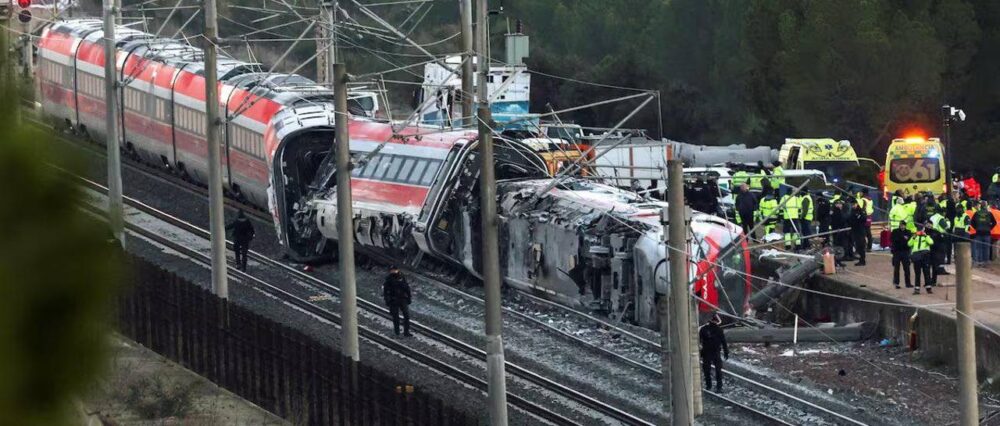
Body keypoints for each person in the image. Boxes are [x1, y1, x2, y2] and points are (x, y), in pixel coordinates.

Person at [698, 313, 729, 392]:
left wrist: (699, 352)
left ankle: (710, 386)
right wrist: (726, 352)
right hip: (713, 352)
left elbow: (699, 341)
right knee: (717, 370)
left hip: (708, 352)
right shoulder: (718, 330)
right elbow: (723, 342)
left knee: (707, 370)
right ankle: (718, 387)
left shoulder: (704, 329)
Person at [383, 266, 413, 336]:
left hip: (402, 299)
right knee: (396, 317)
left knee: (406, 316)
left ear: (397, 270)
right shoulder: (389, 279)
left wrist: (409, 297)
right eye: (392, 270)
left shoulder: (402, 277)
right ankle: (397, 332)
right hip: (393, 300)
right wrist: (387, 301)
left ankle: (406, 332)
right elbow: (385, 291)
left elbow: (407, 288)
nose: (393, 271)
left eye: (394, 270)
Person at [909, 225, 934, 295]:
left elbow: (931, 242)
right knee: (917, 273)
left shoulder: (926, 236)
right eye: (919, 230)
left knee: (926, 272)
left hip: (925, 255)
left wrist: (925, 236)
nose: (920, 231)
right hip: (917, 256)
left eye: (921, 230)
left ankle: (928, 288)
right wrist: (914, 237)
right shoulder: (914, 236)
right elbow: (909, 244)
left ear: (923, 230)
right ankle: (917, 289)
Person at [971, 200, 997, 266]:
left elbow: (972, 222)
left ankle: (979, 261)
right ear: (986, 206)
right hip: (987, 233)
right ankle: (986, 262)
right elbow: (994, 222)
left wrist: (976, 228)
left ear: (980, 206)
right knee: (986, 248)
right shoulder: (989, 214)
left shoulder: (976, 213)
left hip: (978, 233)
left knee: (979, 248)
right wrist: (990, 228)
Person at [928, 209, 951, 279]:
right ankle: (940, 269)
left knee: (935, 255)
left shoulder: (932, 217)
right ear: (942, 212)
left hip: (932, 236)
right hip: (940, 237)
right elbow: (946, 227)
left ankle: (935, 268)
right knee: (942, 254)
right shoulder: (940, 218)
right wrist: (948, 221)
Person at [890, 221, 911, 289]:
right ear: (899, 225)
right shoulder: (895, 231)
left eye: (903, 225)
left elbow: (909, 241)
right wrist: (903, 238)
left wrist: (901, 238)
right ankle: (896, 283)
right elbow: (893, 239)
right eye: (901, 225)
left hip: (905, 252)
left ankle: (908, 283)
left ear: (905, 225)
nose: (902, 226)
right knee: (896, 268)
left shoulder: (908, 232)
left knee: (907, 268)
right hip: (897, 252)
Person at [830, 199, 850, 266]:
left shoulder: (841, 211)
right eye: (838, 204)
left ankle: (839, 260)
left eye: (841, 204)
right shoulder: (836, 211)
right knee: (838, 245)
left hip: (841, 230)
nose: (840, 205)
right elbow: (839, 220)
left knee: (841, 245)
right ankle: (838, 260)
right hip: (838, 230)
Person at [850, 200, 868, 266]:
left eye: (854, 204)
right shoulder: (853, 211)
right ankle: (861, 259)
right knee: (858, 246)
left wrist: (858, 217)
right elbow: (852, 220)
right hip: (855, 230)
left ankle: (862, 260)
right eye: (852, 205)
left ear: (856, 204)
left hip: (860, 230)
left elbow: (863, 219)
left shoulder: (861, 211)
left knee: (861, 246)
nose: (853, 206)